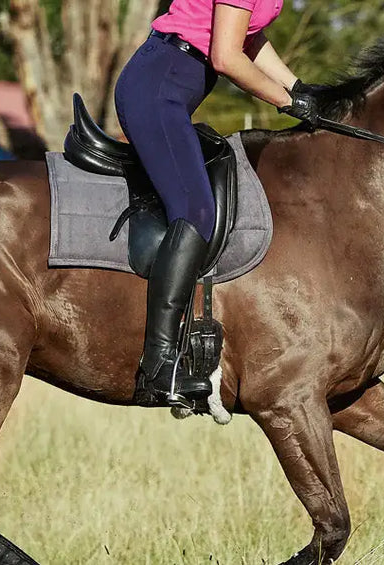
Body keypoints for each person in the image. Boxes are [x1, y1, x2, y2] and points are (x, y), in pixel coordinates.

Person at [115, 0, 320, 408]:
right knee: (196, 211)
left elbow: (251, 37)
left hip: (174, 82)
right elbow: (227, 56)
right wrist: (284, 101)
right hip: (159, 85)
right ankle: (159, 365)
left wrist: (300, 88)